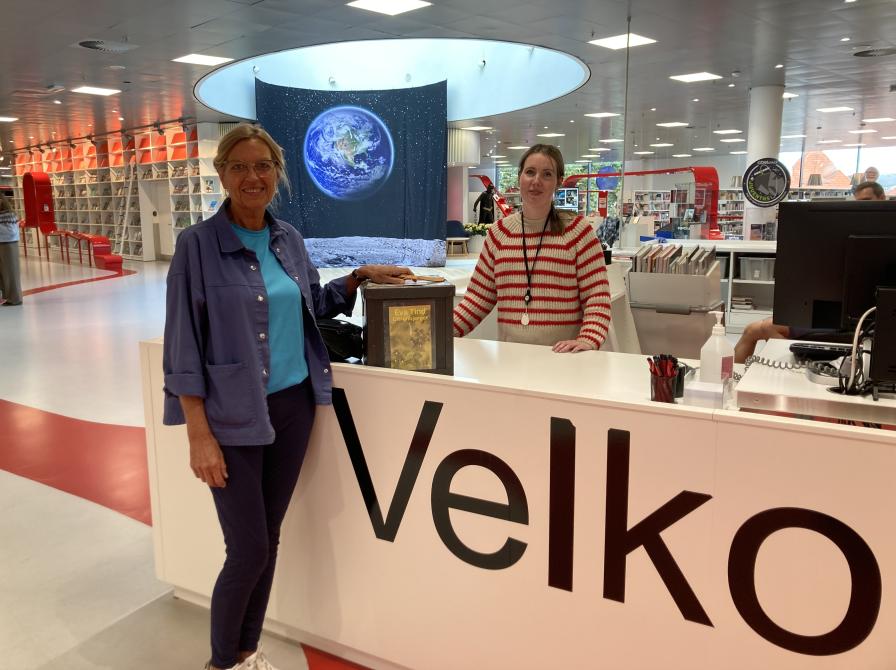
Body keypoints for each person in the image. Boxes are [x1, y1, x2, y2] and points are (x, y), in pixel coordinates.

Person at [162, 123, 409, 670]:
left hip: (294, 407)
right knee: (247, 549)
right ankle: (222, 662)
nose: (252, 177)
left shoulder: (288, 238)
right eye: (239, 167)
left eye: (263, 166)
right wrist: (198, 433)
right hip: (232, 415)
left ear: (278, 173)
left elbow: (311, 306)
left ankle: (245, 653)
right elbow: (182, 347)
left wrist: (358, 278)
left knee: (267, 540)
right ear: (222, 175)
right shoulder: (196, 246)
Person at [453, 144, 611, 352]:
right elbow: (477, 300)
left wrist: (588, 339)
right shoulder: (499, 233)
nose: (536, 181)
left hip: (564, 360)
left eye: (547, 174)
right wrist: (434, 331)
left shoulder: (578, 232)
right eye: (530, 172)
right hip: (511, 358)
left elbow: (597, 297)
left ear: (558, 182)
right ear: (519, 177)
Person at [734, 181, 887, 362]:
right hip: (830, 310)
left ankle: (795, 364)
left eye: (867, 201)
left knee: (763, 328)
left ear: (882, 198)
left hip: (866, 317)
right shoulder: (846, 234)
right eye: (858, 203)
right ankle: (736, 377)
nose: (862, 208)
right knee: (751, 330)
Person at [0, 192, 22, 306]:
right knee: (4, 273)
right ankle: (7, 297)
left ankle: (15, 298)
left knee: (11, 273)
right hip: (3, 244)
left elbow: (11, 231)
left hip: (8, 245)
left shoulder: (9, 215)